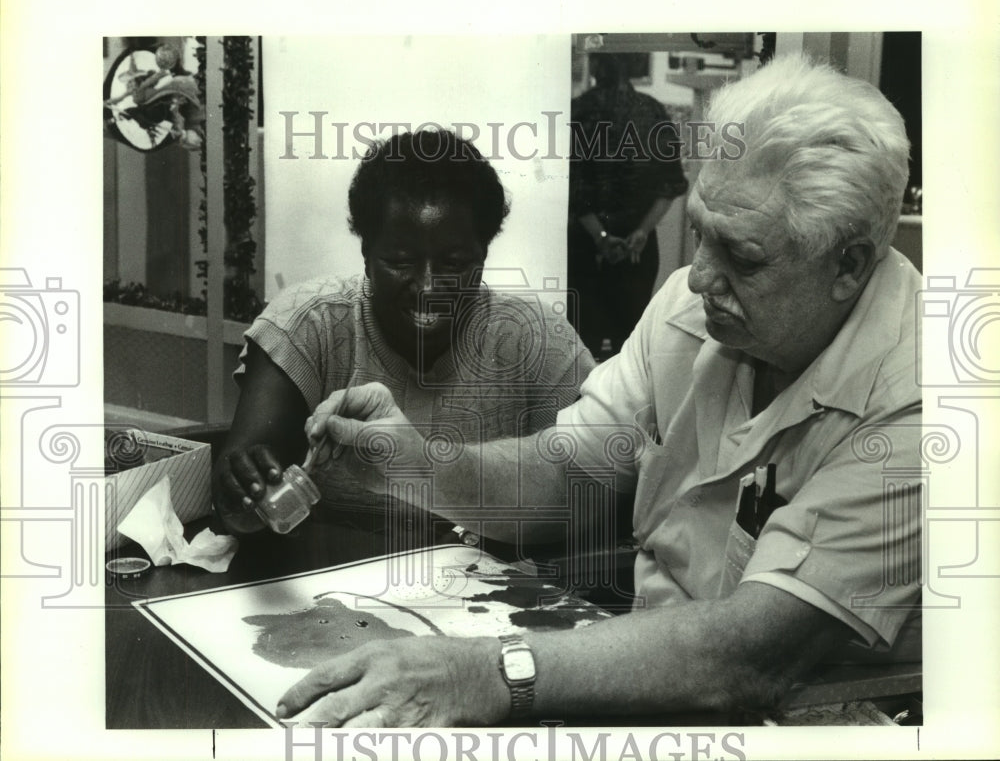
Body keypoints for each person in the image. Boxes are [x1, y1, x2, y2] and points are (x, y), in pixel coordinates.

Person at [275, 54, 922, 726]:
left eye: (742, 257)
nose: (698, 278)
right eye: (699, 234)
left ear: (847, 265)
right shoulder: (689, 310)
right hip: (660, 682)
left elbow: (754, 655)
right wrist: (423, 465)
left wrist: (490, 672)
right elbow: (566, 469)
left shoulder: (923, 402)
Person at [212, 129, 595, 537]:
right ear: (365, 254)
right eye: (399, 260)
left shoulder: (536, 340)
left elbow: (595, 492)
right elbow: (243, 499)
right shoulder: (309, 324)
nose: (428, 287)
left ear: (483, 256)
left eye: (454, 262)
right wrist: (240, 494)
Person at [568, 52, 689, 357]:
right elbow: (672, 183)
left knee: (582, 346)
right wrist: (642, 232)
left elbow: (572, 186)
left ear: (595, 66)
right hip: (638, 249)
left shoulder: (579, 110)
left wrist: (601, 237)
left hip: (586, 247)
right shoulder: (651, 110)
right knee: (631, 349)